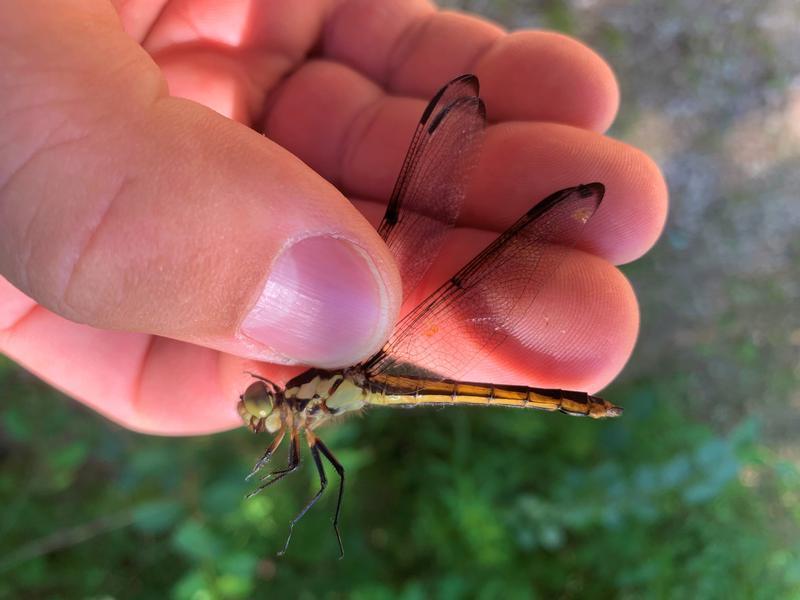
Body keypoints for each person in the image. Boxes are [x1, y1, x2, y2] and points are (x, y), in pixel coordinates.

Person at [0, 1, 667, 435]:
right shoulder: (310, 405)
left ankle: (576, 403)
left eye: (261, 406)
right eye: (264, 408)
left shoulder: (315, 386)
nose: (260, 410)